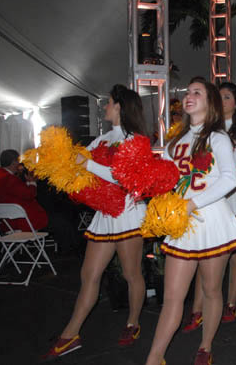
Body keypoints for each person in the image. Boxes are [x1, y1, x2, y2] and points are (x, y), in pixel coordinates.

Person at [42, 85, 148, 360]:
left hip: (128, 213)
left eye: (109, 103)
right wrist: (57, 158)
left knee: (131, 274)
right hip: (104, 216)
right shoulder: (100, 141)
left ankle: (133, 323)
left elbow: (122, 177)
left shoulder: (136, 140)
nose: (105, 108)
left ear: (121, 107)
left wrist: (86, 164)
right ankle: (71, 333)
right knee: (89, 275)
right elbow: (80, 163)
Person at [144, 77, 236, 365]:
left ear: (209, 102)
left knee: (212, 290)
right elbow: (167, 181)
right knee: (173, 297)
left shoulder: (219, 137)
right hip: (182, 226)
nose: (189, 96)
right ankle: (155, 357)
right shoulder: (175, 142)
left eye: (197, 93)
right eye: (188, 92)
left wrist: (192, 203)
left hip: (212, 222)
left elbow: (228, 179)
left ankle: (206, 345)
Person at [181, 81, 236, 334]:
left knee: (235, 256)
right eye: (220, 96)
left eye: (227, 97)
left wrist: (218, 147)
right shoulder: (203, 129)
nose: (222, 101)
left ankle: (232, 302)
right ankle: (198, 310)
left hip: (235, 198)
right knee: (202, 254)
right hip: (208, 199)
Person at [0, 149, 48, 232]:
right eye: (18, 162)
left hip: (9, 219)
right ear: (14, 162)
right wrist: (32, 182)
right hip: (22, 221)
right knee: (60, 220)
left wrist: (29, 182)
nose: (19, 164)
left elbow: (20, 192)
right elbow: (30, 194)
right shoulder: (9, 178)